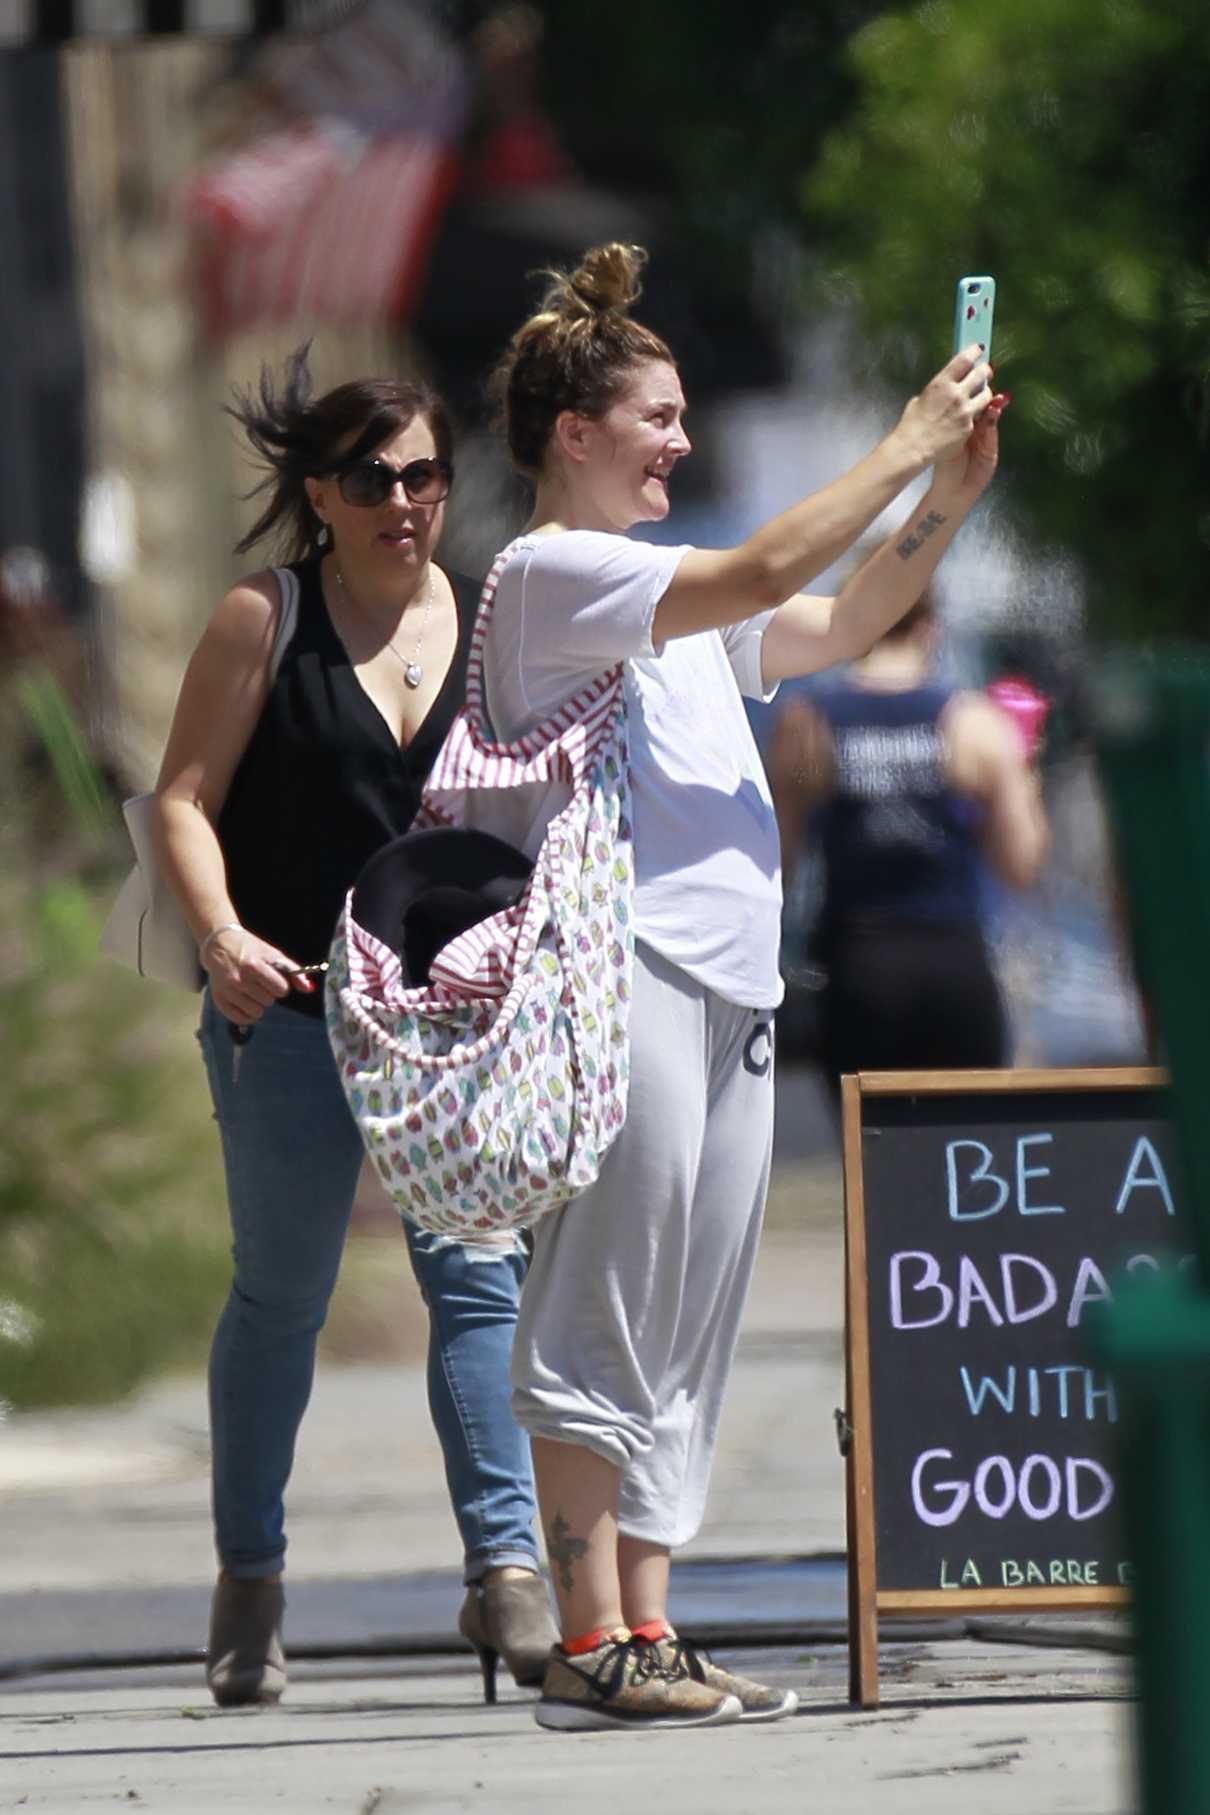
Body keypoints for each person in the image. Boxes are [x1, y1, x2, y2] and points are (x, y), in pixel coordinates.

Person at [478, 241, 1009, 1732]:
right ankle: (588, 1634)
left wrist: (945, 493)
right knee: (604, 1308)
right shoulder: (548, 577)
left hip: (728, 985)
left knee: (691, 1315)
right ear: (573, 434)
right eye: (657, 418)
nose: (680, 442)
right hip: (625, 974)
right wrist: (895, 437)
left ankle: (646, 1619)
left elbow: (833, 622)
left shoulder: (670, 601)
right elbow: (775, 566)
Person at [151, 348, 556, 1709]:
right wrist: (218, 941)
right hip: (295, 1000)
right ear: (321, 493)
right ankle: (250, 1574)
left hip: (448, 1017)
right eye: (374, 478)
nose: (406, 501)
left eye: (426, 474)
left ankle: (504, 1572)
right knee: (283, 1293)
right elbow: (180, 800)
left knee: (475, 1278)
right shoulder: (262, 618)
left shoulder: (492, 620)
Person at [767, 589, 1049, 1096]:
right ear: (930, 628)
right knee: (963, 1151)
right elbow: (1021, 865)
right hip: (955, 961)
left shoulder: (807, 721)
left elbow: (774, 869)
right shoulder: (974, 724)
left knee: (870, 1158)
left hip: (857, 968)